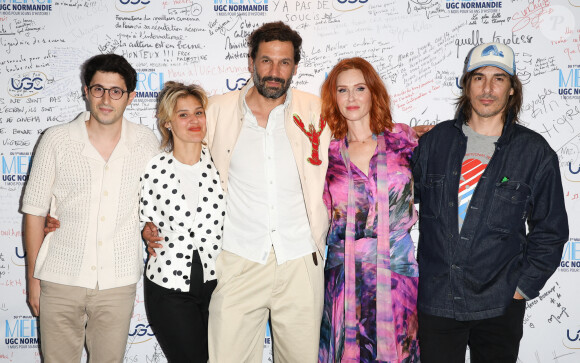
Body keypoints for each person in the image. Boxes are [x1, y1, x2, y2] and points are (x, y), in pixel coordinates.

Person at [144, 21, 330, 362]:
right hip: (237, 260)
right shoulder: (215, 111)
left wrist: (411, 136)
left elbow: (363, 132)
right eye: (266, 61)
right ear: (251, 62)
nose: (274, 71)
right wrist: (147, 219)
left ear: (295, 67)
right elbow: (175, 156)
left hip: (300, 260)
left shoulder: (318, 110)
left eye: (284, 62)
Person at [412, 42, 569, 362]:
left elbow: (551, 230)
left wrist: (521, 288)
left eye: (499, 78)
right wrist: (395, 141)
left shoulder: (535, 153)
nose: (487, 88)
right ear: (466, 84)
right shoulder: (434, 143)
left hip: (500, 305)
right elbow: (397, 203)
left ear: (512, 88)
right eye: (479, 77)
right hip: (438, 301)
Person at [21, 54, 159, 363]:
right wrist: (33, 280)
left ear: (131, 96)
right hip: (59, 280)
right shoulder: (56, 140)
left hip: (117, 282)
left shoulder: (147, 143)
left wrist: (151, 229)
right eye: (98, 89)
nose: (106, 99)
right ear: (86, 92)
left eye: (116, 91)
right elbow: (33, 213)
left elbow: (156, 204)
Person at [318, 57, 420, 363]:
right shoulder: (326, 154)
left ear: (372, 92)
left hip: (398, 275)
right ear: (333, 97)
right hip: (344, 277)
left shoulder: (403, 141)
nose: (351, 97)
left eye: (359, 88)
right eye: (343, 90)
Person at [139, 81, 225, 363]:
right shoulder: (151, 168)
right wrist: (144, 229)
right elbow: (136, 215)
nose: (194, 121)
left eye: (198, 113)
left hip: (221, 284)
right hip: (168, 285)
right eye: (183, 114)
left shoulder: (222, 164)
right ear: (167, 123)